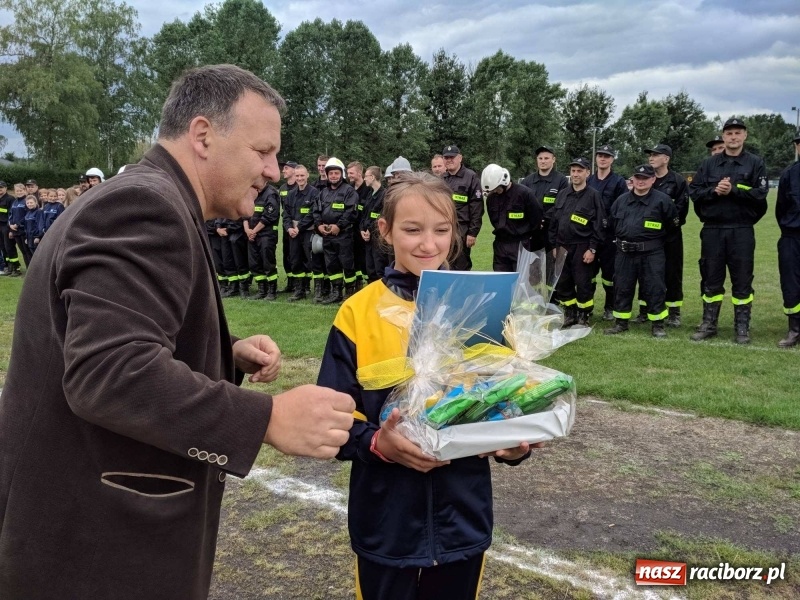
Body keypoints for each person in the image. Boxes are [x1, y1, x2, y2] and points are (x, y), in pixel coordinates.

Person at [0, 64, 355, 600]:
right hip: (95, 553)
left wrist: (222, 353)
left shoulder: (151, 198)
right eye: (263, 151)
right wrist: (267, 418)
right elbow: (108, 373)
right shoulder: (144, 207)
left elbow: (113, 335)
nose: (275, 171)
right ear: (203, 135)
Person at [317, 171, 531, 600]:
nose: (428, 244)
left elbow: (503, 403)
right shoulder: (358, 313)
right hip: (385, 520)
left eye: (441, 230)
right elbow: (332, 420)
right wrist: (378, 443)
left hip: (462, 517)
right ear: (385, 231)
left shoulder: (483, 306)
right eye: (412, 230)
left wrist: (514, 443)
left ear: (456, 232)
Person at [689, 117, 768, 344]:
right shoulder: (709, 165)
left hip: (741, 229)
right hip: (713, 229)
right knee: (711, 277)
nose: (733, 137)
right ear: (723, 137)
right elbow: (694, 192)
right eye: (729, 133)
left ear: (745, 136)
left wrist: (733, 190)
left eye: (738, 133)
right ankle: (709, 323)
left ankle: (742, 327)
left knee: (742, 278)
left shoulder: (755, 163)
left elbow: (760, 195)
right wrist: (714, 191)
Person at [604, 164, 678, 338]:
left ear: (653, 180)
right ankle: (621, 322)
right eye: (638, 178)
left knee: (654, 287)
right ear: (632, 179)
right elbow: (611, 225)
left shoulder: (662, 201)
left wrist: (653, 245)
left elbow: (672, 229)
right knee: (622, 287)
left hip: (651, 254)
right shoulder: (621, 201)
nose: (641, 181)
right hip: (624, 253)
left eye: (645, 178)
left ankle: (657, 325)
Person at [636, 144, 690, 327]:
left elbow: (681, 211)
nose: (651, 158)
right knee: (645, 272)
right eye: (650, 155)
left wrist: (663, 227)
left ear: (666, 159)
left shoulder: (677, 181)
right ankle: (644, 310)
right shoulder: (646, 179)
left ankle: (674, 312)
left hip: (670, 236)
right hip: (648, 237)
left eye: (655, 155)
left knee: (672, 272)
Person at [548, 158, 605, 327]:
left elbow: (600, 224)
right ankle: (570, 313)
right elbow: (554, 221)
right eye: (573, 171)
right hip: (562, 246)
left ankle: (584, 315)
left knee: (583, 283)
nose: (575, 174)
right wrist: (553, 245)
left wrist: (592, 249)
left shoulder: (593, 196)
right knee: (563, 282)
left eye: (579, 171)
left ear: (588, 173)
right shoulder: (563, 194)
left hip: (582, 246)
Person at [588, 144, 629, 321]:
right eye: (600, 156)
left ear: (612, 159)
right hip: (589, 234)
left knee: (609, 276)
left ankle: (609, 307)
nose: (603, 159)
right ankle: (586, 307)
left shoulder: (619, 182)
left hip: (610, 235)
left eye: (607, 156)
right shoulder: (589, 180)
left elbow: (622, 208)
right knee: (587, 275)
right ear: (596, 158)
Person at [481, 163, 543, 272]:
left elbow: (536, 220)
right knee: (500, 280)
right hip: (500, 244)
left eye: (496, 189)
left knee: (521, 281)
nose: (495, 192)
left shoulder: (525, 194)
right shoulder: (491, 198)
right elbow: (493, 220)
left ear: (504, 183)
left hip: (521, 244)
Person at [314, 157, 359, 304]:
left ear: (342, 174)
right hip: (327, 235)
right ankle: (336, 292)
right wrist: (319, 225)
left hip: (343, 235)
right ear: (327, 174)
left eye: (336, 173)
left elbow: (351, 212)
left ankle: (350, 293)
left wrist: (338, 226)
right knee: (331, 265)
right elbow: (315, 211)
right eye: (331, 173)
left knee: (347, 264)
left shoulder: (349, 191)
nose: (333, 176)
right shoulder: (322, 193)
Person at [775, 130, 800, 348]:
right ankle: (795, 328)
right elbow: (780, 208)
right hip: (792, 237)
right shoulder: (789, 174)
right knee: (791, 283)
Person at [520, 145, 569, 251]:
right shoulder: (527, 181)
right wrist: (534, 221)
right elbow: (521, 204)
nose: (543, 161)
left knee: (551, 265)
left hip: (552, 232)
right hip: (531, 232)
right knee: (532, 266)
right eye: (540, 158)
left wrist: (543, 220)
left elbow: (562, 205)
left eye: (546, 158)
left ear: (553, 159)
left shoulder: (562, 181)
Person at [442, 144, 483, 270]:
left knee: (461, 266)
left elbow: (477, 207)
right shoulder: (441, 179)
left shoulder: (471, 177)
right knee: (443, 264)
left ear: (460, 158)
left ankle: (464, 290)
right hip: (443, 229)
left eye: (452, 157)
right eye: (446, 157)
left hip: (462, 230)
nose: (449, 160)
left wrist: (473, 232)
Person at [286, 165, 320, 301]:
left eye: (302, 176)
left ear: (307, 176)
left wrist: (298, 227)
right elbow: (286, 214)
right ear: (294, 176)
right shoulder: (291, 194)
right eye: (297, 176)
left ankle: (318, 290)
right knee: (295, 260)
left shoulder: (314, 193)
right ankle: (299, 290)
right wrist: (289, 228)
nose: (299, 178)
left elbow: (312, 214)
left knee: (312, 260)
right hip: (293, 233)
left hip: (307, 232)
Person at [245, 183, 280, 300]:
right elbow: (245, 213)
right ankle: (261, 290)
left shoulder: (271, 193)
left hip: (266, 234)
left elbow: (269, 216)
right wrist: (247, 230)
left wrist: (253, 231)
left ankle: (271, 291)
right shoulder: (251, 192)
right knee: (254, 262)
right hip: (251, 234)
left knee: (267, 262)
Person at [360, 165, 389, 282]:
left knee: (379, 268)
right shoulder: (369, 194)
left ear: (372, 177)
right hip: (368, 238)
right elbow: (364, 215)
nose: (364, 179)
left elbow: (381, 218)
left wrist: (370, 230)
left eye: (366, 176)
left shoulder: (385, 195)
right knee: (370, 268)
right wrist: (362, 229)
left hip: (378, 238)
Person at [348, 161, 370, 290]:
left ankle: (367, 284)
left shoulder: (368, 189)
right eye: (347, 172)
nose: (348, 175)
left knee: (364, 259)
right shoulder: (348, 188)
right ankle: (357, 283)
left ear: (359, 173)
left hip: (363, 230)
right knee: (353, 257)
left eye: (351, 173)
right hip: (350, 230)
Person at [8, 183, 31, 270]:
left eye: (21, 190)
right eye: (17, 191)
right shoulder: (14, 202)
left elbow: (27, 215)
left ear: (24, 190)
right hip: (15, 231)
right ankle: (28, 269)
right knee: (23, 252)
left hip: (24, 230)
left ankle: (31, 270)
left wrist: (18, 225)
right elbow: (10, 214)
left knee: (27, 251)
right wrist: (10, 225)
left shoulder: (27, 200)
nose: (19, 192)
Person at [0, 181, 21, 276]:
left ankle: (16, 267)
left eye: (1, 187)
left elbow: (11, 214)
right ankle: (8, 266)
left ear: (5, 188)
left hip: (6, 226)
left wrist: (11, 229)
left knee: (9, 247)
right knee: (3, 247)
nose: (0, 189)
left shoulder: (10, 199)